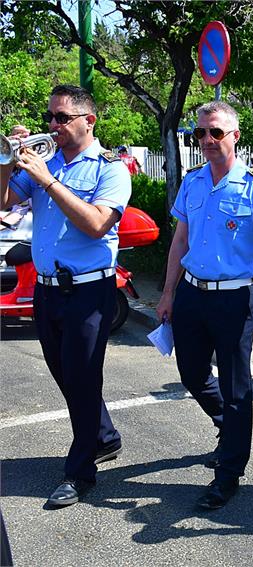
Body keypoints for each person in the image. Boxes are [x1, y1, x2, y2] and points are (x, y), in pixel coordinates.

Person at [0, 84, 131, 507]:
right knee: (66, 375)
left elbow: (96, 224)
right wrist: (8, 159)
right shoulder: (45, 161)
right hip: (47, 290)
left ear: (87, 120)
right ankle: (105, 436)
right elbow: (1, 200)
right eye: (50, 117)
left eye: (61, 118)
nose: (52, 125)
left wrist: (49, 181)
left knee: (81, 376)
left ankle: (80, 472)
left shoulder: (110, 168)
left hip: (90, 290)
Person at [156, 101, 253, 509]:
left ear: (235, 135)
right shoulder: (193, 182)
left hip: (234, 299)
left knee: (236, 388)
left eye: (216, 132)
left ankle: (229, 472)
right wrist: (167, 293)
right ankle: (226, 426)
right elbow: (180, 241)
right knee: (191, 373)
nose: (208, 141)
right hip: (192, 295)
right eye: (201, 133)